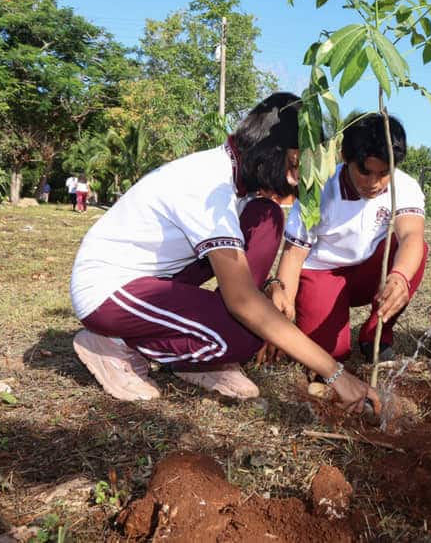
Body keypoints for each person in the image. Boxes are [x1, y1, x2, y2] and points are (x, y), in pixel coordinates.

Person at [69, 92, 379, 414]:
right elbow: (243, 301)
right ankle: (114, 344)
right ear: (271, 148)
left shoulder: (241, 184)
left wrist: (269, 293)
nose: (297, 177)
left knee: (266, 216)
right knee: (243, 335)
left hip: (158, 279)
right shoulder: (207, 186)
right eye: (294, 164)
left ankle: (206, 352)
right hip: (109, 291)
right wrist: (336, 374)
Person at [266, 113, 427, 364]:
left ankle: (376, 333)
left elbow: (411, 236)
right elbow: (293, 256)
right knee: (329, 357)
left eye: (384, 173)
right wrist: (277, 324)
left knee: (412, 253)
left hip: (369, 273)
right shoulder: (318, 191)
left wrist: (399, 277)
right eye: (365, 171)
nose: (374, 183)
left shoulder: (404, 187)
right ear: (345, 157)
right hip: (322, 273)